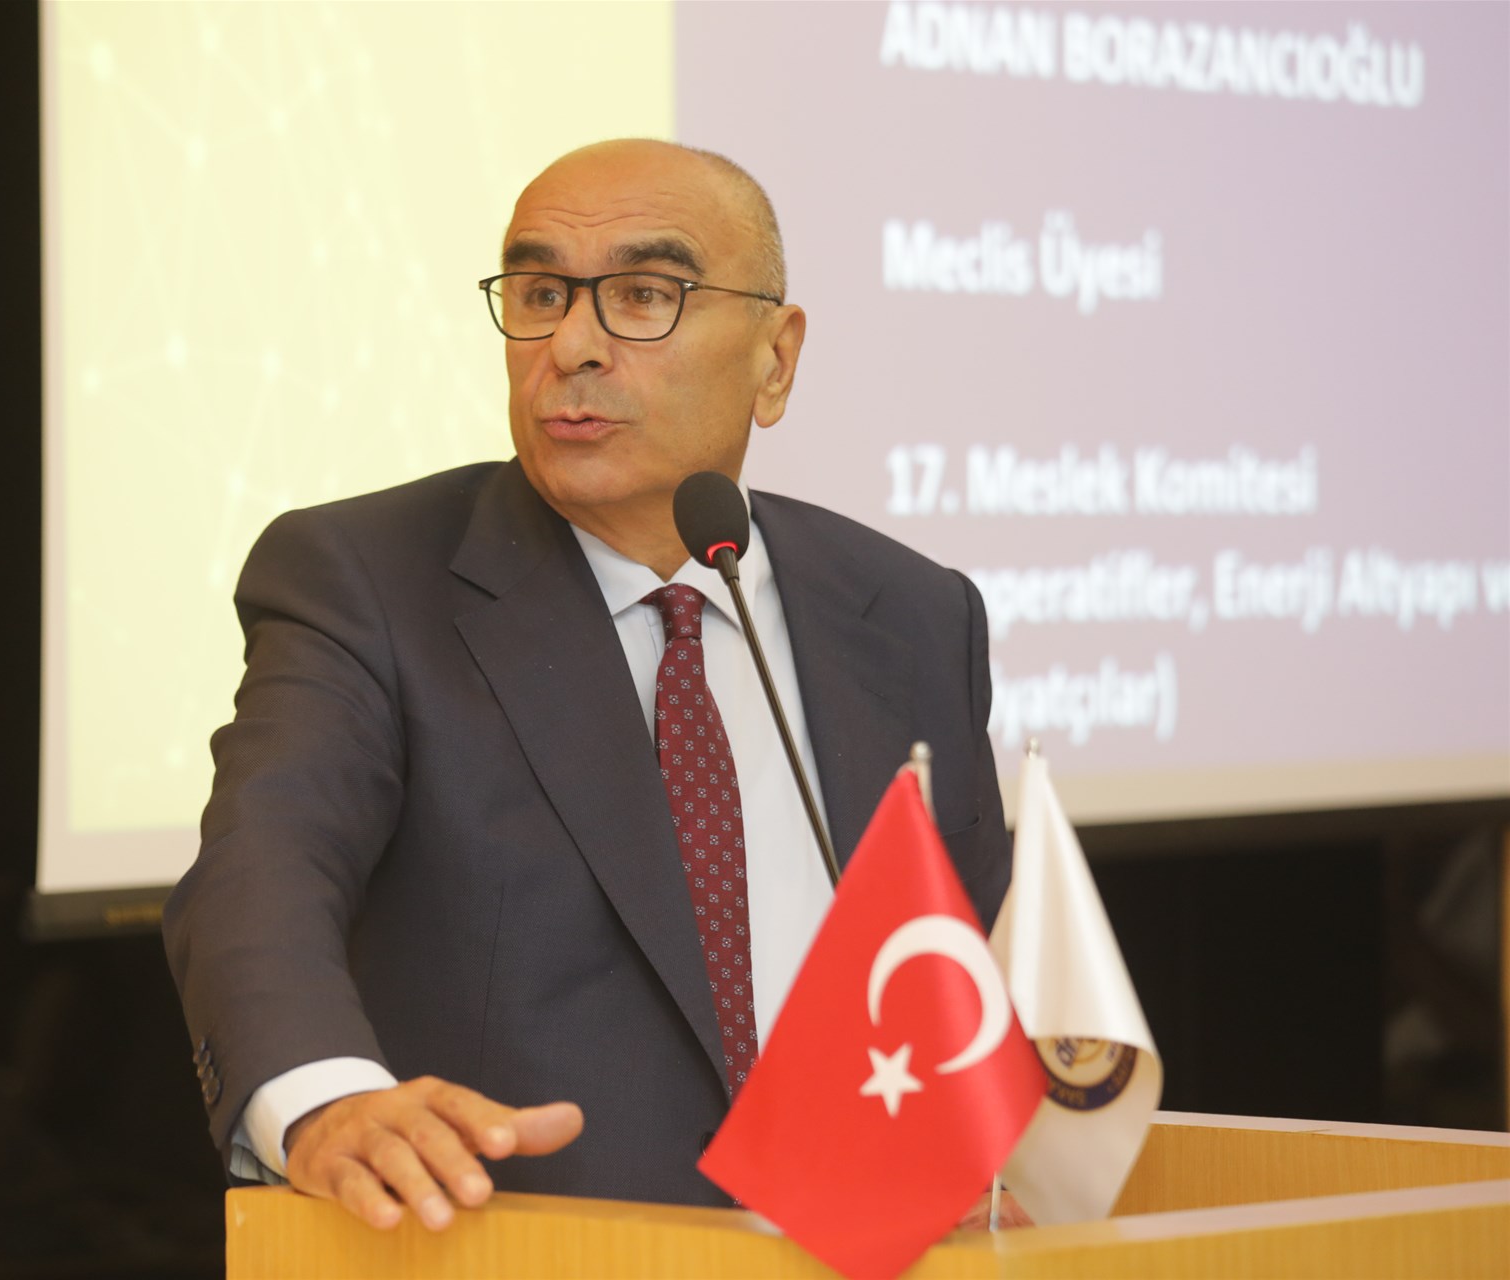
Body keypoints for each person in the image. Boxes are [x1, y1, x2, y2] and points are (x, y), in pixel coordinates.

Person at [162, 139, 1011, 1232]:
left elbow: (972, 955)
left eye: (644, 296)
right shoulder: (366, 582)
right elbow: (263, 868)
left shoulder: (910, 613)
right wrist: (325, 1101)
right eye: (540, 295)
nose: (571, 346)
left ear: (776, 357)